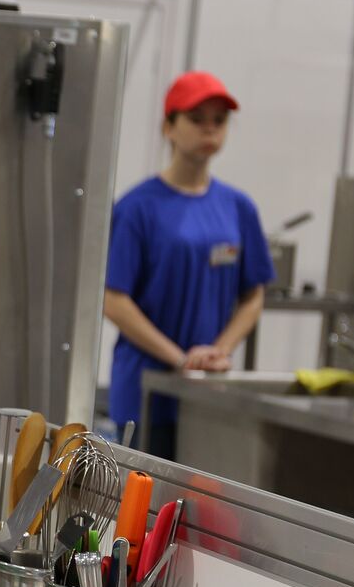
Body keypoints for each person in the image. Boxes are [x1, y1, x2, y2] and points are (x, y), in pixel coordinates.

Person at [104, 71, 275, 460]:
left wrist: (216, 353)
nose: (209, 129)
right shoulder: (138, 208)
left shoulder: (237, 207)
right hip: (146, 391)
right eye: (196, 119)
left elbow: (253, 296)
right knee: (146, 514)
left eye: (219, 120)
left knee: (204, 513)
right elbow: (113, 300)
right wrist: (179, 359)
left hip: (207, 395)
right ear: (169, 127)